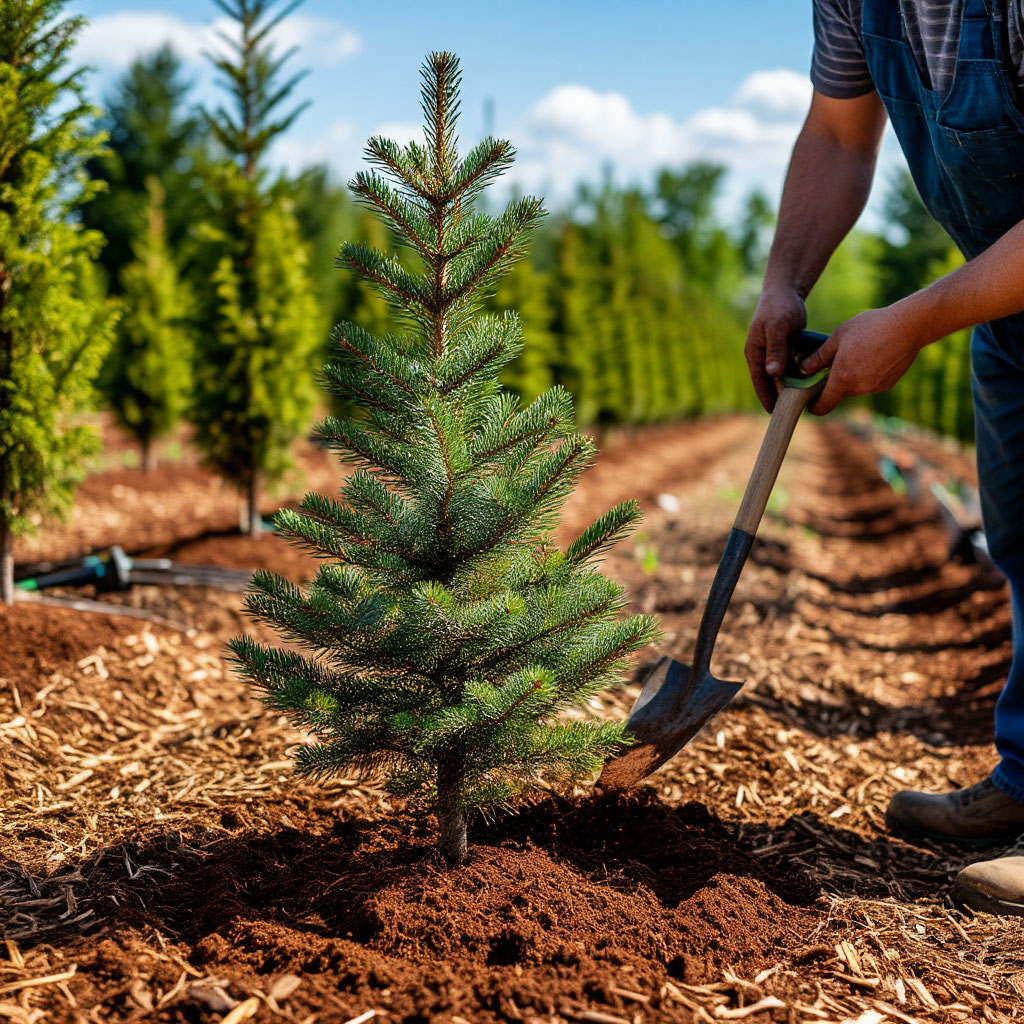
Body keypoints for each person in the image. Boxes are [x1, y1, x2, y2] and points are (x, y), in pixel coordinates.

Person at [747, 0, 1024, 915]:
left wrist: (910, 322)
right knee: (1023, 537)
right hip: (1011, 299)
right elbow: (836, 133)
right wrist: (785, 280)